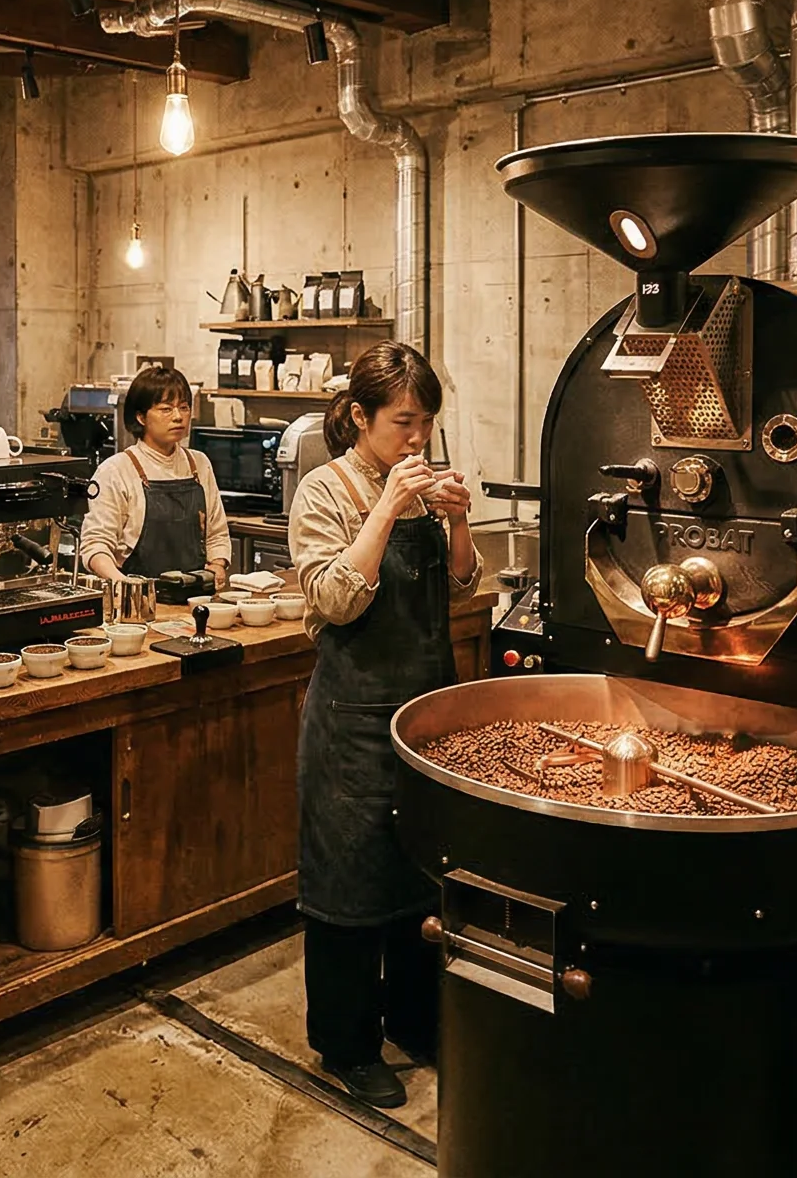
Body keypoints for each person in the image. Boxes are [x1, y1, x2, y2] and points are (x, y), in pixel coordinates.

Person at [286, 342, 480, 1109]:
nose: (417, 438)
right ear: (360, 417)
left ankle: (413, 1020)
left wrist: (458, 523)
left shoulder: (426, 483)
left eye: (427, 423)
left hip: (426, 707)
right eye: (403, 421)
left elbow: (464, 584)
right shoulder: (323, 491)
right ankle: (346, 1043)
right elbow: (335, 600)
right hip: (351, 721)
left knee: (419, 872)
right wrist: (390, 508)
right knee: (348, 884)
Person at [80, 365, 232, 590]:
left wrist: (218, 565)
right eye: (166, 409)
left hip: (194, 598)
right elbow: (96, 545)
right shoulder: (116, 470)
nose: (178, 417)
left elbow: (217, 533)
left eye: (184, 407)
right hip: (138, 600)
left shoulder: (199, 464)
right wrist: (124, 584)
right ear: (141, 417)